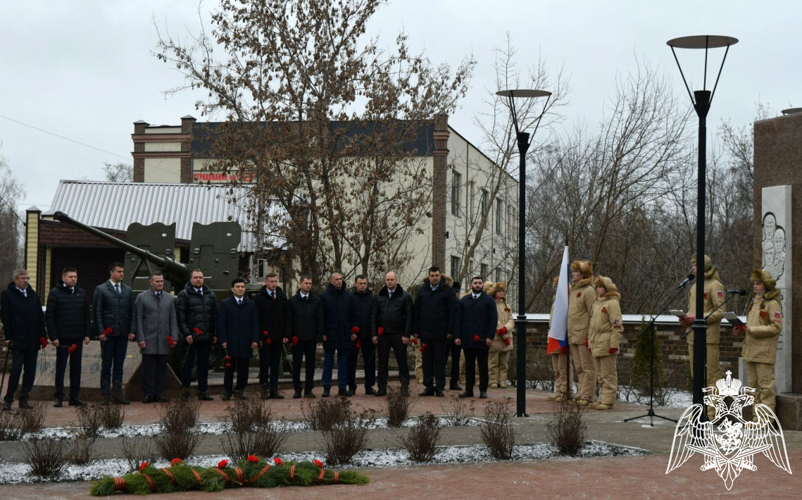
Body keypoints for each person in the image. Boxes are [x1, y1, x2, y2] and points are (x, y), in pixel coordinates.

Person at [734, 269, 782, 416]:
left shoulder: (772, 303)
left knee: (765, 388)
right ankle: (757, 417)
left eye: (758, 283)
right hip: (750, 351)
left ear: (766, 285)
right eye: (754, 283)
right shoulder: (754, 303)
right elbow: (752, 326)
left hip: (763, 353)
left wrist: (751, 330)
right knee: (753, 388)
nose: (755, 286)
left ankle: (765, 420)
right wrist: (741, 330)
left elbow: (776, 327)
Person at [679, 254, 724, 396]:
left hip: (709, 337)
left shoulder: (715, 285)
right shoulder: (694, 287)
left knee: (711, 374)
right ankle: (699, 409)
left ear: (704, 267)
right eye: (692, 265)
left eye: (696, 265)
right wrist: (686, 319)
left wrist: (698, 318)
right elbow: (692, 310)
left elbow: (720, 311)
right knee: (696, 375)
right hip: (693, 335)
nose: (693, 268)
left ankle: (712, 410)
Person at [46, 267, 91, 407]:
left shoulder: (81, 293)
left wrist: (87, 333)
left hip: (77, 337)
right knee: (61, 367)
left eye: (75, 277)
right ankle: (59, 396)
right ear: (64, 278)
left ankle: (74, 397)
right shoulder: (55, 293)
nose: (73, 279)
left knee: (76, 368)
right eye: (70, 276)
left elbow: (86, 315)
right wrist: (54, 337)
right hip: (62, 338)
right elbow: (50, 316)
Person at [1, 269, 46, 411]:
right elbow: (5, 317)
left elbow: (40, 317)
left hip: (32, 339)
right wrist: (8, 337)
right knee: (16, 368)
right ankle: (9, 398)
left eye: (27, 278)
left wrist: (42, 336)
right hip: (17, 339)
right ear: (15, 280)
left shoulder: (33, 295)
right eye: (22, 278)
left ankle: (24, 398)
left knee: (30, 371)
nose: (25, 281)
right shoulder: (7, 295)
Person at [94, 262, 137, 404]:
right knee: (106, 365)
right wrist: (100, 331)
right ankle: (105, 396)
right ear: (111, 273)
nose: (122, 274)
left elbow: (132, 312)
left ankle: (118, 395)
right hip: (108, 334)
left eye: (122, 271)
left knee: (119, 366)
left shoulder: (127, 290)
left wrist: (132, 330)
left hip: (122, 333)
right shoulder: (101, 289)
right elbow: (97, 312)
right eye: (119, 271)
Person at [135, 272, 179, 403]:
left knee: (161, 368)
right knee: (147, 369)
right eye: (157, 281)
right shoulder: (142, 297)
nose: (160, 283)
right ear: (151, 282)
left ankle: (159, 393)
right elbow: (138, 319)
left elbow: (172, 318)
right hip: (148, 338)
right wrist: (140, 338)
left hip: (164, 340)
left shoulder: (168, 298)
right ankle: (147, 393)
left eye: (161, 281)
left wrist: (174, 337)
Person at [175, 269, 218, 402]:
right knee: (187, 365)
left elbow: (215, 315)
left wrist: (215, 333)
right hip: (190, 338)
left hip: (206, 337)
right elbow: (180, 317)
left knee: (204, 366)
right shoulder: (184, 294)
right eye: (195, 277)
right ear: (191, 279)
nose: (198, 280)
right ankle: (185, 391)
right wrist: (187, 334)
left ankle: (203, 391)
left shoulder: (210, 295)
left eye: (200, 277)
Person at [414, 267, 458, 397]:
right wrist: (415, 330)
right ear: (428, 276)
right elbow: (416, 310)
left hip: (441, 333)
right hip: (425, 333)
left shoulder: (448, 291)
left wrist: (450, 330)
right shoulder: (422, 290)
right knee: (426, 361)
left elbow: (452, 313)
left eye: (437, 275)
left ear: (440, 276)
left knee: (440, 362)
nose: (434, 278)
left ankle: (439, 387)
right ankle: (428, 386)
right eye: (432, 275)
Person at [454, 276, 497, 399]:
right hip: (467, 338)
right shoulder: (465, 300)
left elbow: (493, 320)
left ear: (483, 285)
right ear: (470, 285)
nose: (477, 285)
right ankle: (469, 390)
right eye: (475, 283)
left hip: (482, 339)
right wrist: (457, 336)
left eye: (479, 283)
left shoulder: (488, 300)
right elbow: (458, 319)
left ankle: (483, 390)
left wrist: (490, 337)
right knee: (469, 366)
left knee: (483, 366)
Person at [372, 271, 413, 396]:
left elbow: (409, 317)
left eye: (392, 279)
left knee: (402, 361)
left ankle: (404, 387)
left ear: (397, 280)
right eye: (387, 280)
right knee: (382, 362)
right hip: (383, 334)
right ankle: (382, 387)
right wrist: (374, 334)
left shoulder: (404, 296)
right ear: (385, 281)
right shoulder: (379, 296)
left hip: (398, 334)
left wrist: (406, 335)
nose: (389, 282)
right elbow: (374, 315)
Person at [217, 278, 259, 400]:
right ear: (232, 289)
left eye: (242, 286)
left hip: (246, 342)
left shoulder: (250, 304)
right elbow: (221, 324)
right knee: (229, 368)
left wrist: (254, 339)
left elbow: (255, 323)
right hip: (231, 342)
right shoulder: (225, 304)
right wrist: (223, 340)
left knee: (244, 369)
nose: (240, 289)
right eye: (238, 286)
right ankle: (227, 391)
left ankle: (240, 389)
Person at [319, 272, 358, 397]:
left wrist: (353, 331)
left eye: (341, 279)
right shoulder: (323, 297)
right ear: (330, 281)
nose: (339, 281)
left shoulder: (348, 297)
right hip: (330, 334)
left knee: (343, 363)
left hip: (345, 334)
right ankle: (326, 387)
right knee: (328, 363)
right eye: (336, 279)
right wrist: (322, 333)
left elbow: (353, 315)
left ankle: (342, 387)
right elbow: (321, 317)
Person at [286, 275, 324, 398]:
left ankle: (308, 389)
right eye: (306, 283)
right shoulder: (293, 301)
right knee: (296, 365)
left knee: (310, 364)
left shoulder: (316, 301)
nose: (308, 285)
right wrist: (289, 336)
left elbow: (319, 320)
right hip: (297, 338)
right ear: (300, 284)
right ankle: (297, 389)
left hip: (311, 338)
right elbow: (289, 320)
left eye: (310, 283)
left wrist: (319, 337)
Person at [588, 276, 622, 410]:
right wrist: (590, 342)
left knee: (608, 374)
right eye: (596, 287)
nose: (597, 289)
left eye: (600, 287)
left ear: (606, 288)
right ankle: (602, 398)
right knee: (600, 374)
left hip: (607, 342)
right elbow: (592, 325)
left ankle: (608, 400)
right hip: (597, 342)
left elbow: (617, 325)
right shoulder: (597, 303)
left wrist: (614, 344)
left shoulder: (612, 303)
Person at [254, 272, 287, 399]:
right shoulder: (259, 298)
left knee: (275, 365)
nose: (274, 284)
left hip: (278, 337)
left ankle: (274, 389)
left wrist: (285, 334)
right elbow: (256, 319)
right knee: (264, 364)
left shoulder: (281, 297)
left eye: (275, 281)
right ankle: (264, 389)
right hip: (265, 338)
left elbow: (285, 316)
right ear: (266, 282)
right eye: (271, 281)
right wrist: (259, 337)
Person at [567, 260, 596, 406]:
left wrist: (590, 335)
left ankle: (587, 395)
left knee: (587, 367)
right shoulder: (574, 291)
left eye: (576, 272)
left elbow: (593, 314)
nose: (573, 274)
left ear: (583, 274)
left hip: (583, 334)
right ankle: (581, 393)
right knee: (578, 367)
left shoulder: (589, 291)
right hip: (574, 335)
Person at [348, 275, 376, 396]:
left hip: (368, 335)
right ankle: (351, 386)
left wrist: (374, 333)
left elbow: (375, 316)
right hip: (354, 335)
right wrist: (351, 331)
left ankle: (369, 386)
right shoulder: (350, 298)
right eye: (360, 283)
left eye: (365, 283)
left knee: (370, 362)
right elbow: (347, 316)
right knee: (351, 362)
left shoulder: (373, 298)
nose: (363, 285)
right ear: (355, 284)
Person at [548, 277, 571, 402]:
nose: (556, 289)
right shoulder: (555, 301)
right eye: (555, 287)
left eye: (559, 287)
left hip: (562, 337)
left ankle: (565, 391)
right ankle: (558, 391)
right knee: (556, 368)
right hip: (554, 336)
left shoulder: (567, 302)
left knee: (563, 368)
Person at [488, 282, 514, 389]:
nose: (502, 293)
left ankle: (502, 380)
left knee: (504, 363)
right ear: (495, 292)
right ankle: (493, 380)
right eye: (499, 291)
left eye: (503, 291)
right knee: (493, 361)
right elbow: (492, 319)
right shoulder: (491, 304)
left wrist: (506, 328)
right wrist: (500, 330)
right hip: (496, 337)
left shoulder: (507, 305)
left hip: (507, 335)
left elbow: (511, 320)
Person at [446, 280, 462, 390]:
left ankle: (453, 381)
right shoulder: (447, 303)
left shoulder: (459, 303)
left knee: (455, 361)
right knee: (447, 360)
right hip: (449, 334)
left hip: (454, 334)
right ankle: (450, 382)